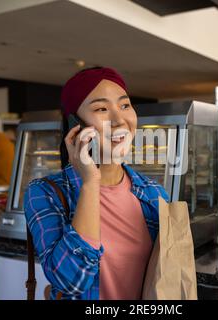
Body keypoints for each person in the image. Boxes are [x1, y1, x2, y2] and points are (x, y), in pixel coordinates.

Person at [24, 67, 169, 300]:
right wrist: (91, 182)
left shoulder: (154, 194)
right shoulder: (44, 193)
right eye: (102, 108)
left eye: (125, 105)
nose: (120, 119)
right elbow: (70, 281)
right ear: (75, 124)